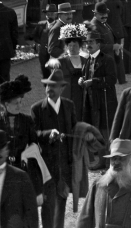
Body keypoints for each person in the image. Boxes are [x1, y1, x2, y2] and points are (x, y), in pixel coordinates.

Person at [0, 75, 44, 203]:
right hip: (0, 169)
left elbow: (35, 144)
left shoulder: (27, 121)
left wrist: (31, 151)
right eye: (16, 103)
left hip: (22, 170)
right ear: (5, 104)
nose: (19, 106)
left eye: (20, 102)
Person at [77, 138, 131, 228]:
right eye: (113, 158)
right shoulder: (98, 184)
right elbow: (85, 219)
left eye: (122, 158)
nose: (117, 162)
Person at [31, 68, 76, 228]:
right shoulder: (37, 109)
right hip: (46, 168)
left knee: (61, 204)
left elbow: (75, 128)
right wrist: (49, 134)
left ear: (62, 88)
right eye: (47, 85)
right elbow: (34, 133)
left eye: (53, 86)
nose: (49, 89)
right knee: (48, 207)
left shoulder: (69, 106)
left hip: (64, 166)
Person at [80, 29, 118, 167]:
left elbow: (112, 79)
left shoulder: (107, 59)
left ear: (98, 44)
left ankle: (109, 163)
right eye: (86, 42)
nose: (88, 45)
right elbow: (86, 76)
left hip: (105, 101)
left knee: (106, 131)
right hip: (91, 101)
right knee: (96, 132)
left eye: (91, 42)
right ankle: (101, 161)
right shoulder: (87, 60)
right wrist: (82, 79)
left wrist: (93, 81)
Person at [50, 23, 89, 117]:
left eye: (75, 45)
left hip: (81, 97)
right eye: (70, 45)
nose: (72, 48)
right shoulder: (61, 61)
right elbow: (53, 81)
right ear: (66, 46)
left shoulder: (86, 61)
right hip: (66, 95)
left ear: (80, 46)